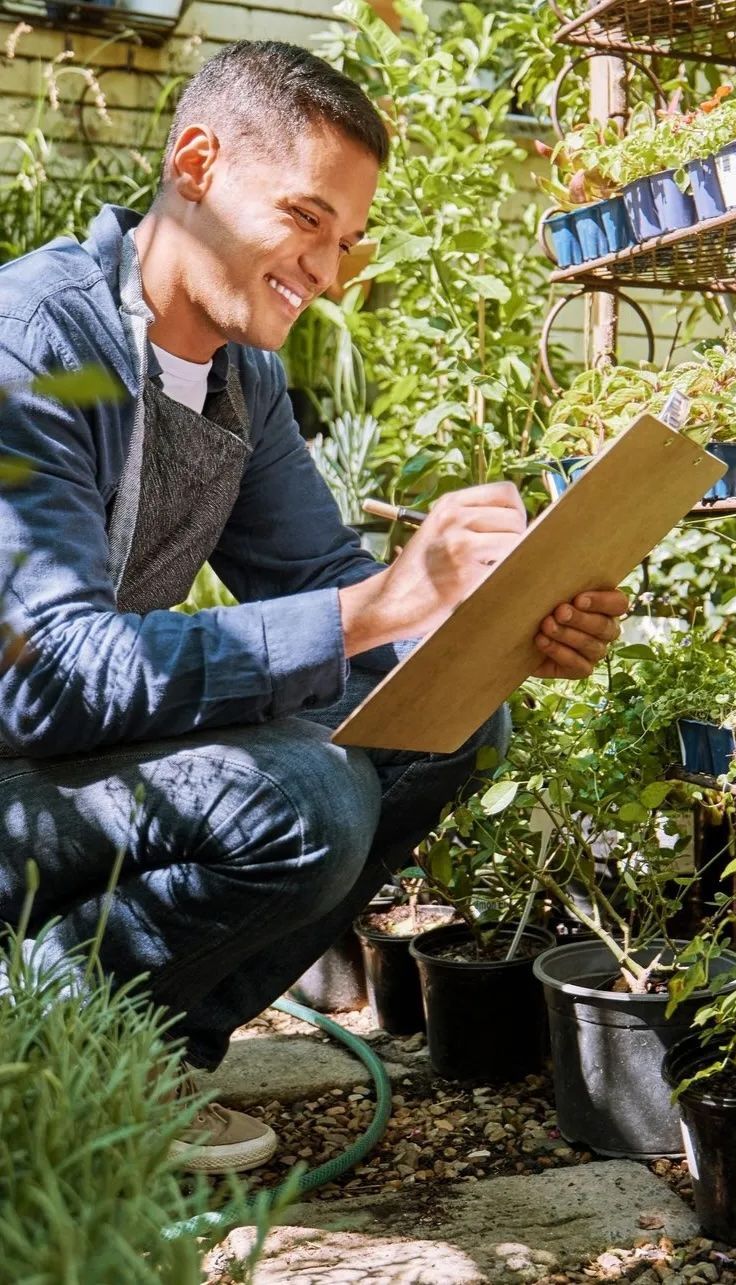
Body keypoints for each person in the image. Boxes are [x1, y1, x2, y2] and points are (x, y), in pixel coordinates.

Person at [0, 40, 627, 1173]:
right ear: (195, 162)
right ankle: (36, 1022)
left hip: (66, 762)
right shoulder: (36, 348)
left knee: (442, 722)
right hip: (16, 779)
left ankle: (141, 1052)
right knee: (306, 798)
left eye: (346, 241)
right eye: (305, 220)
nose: (328, 272)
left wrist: (493, 634)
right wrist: (378, 605)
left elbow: (322, 590)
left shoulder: (243, 382)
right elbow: (47, 674)